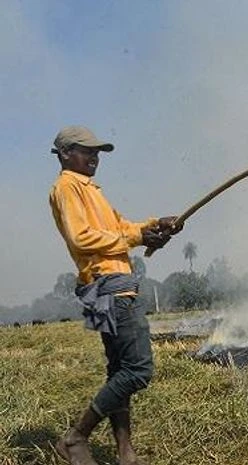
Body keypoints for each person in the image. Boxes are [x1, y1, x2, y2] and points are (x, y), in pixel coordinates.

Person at [48, 126, 182, 465]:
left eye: (97, 153)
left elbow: (119, 227)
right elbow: (81, 237)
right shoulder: (67, 187)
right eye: (86, 151)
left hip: (99, 286)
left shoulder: (89, 189)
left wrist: (152, 228)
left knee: (118, 368)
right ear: (65, 154)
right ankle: (77, 437)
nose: (94, 157)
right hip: (110, 286)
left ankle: (126, 453)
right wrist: (130, 240)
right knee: (138, 370)